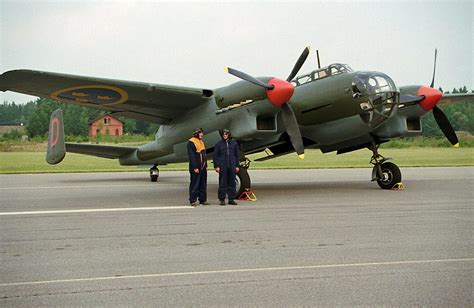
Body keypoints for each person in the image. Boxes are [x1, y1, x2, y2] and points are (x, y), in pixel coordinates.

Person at [213, 129, 240, 206]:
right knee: (222, 183)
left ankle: (231, 199)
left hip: (232, 165)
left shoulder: (234, 144)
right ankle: (222, 199)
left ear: (229, 135)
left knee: (232, 182)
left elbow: (237, 155)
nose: (225, 135)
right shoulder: (218, 144)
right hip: (222, 166)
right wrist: (216, 166)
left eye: (226, 134)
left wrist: (237, 166)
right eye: (223, 134)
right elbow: (215, 156)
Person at [187, 128, 209, 207]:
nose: (202, 135)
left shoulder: (201, 142)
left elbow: (204, 154)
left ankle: (202, 200)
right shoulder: (191, 142)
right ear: (196, 134)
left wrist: (205, 165)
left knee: (203, 184)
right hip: (196, 167)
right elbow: (191, 156)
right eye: (200, 133)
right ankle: (192, 200)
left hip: (203, 167)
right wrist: (195, 167)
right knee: (195, 184)